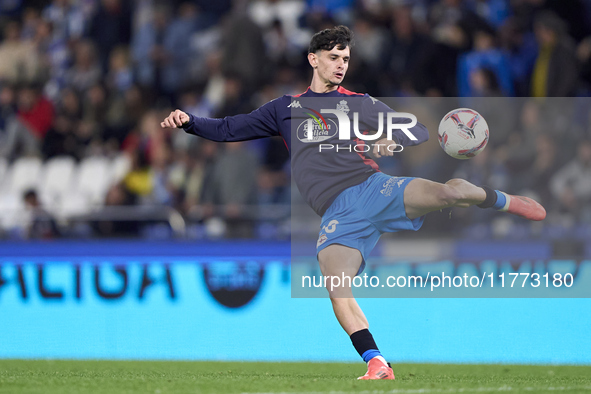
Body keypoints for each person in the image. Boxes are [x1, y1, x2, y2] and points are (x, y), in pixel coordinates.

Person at [161, 26, 546, 380]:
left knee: (450, 192)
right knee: (336, 286)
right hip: (338, 213)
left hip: (372, 187)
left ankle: (503, 200)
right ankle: (377, 362)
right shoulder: (285, 109)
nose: (341, 65)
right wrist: (189, 121)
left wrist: (390, 140)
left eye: (346, 59)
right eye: (333, 57)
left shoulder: (359, 103)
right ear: (313, 59)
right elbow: (230, 129)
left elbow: (417, 128)